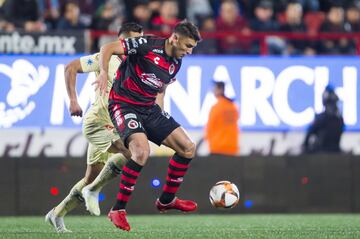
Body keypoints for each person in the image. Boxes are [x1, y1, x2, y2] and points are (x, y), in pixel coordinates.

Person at [92, 20, 201, 231]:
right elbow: (107, 48)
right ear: (174, 38)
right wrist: (104, 72)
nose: (189, 51)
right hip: (124, 105)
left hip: (148, 108)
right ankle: (118, 209)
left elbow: (160, 88)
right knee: (142, 152)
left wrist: (160, 112)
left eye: (192, 48)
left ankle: (167, 200)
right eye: (188, 46)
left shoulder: (176, 62)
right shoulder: (146, 45)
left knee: (188, 148)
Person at [45, 22, 144, 233]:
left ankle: (57, 213)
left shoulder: (139, 64)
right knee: (132, 153)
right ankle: (93, 191)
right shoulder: (104, 58)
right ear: (122, 42)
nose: (139, 45)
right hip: (99, 122)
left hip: (118, 125)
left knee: (90, 177)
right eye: (134, 41)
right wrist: (73, 100)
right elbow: (70, 67)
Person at [303, 85, 345, 153]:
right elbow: (307, 137)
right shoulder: (322, 118)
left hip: (329, 152)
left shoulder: (338, 120)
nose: (332, 107)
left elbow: (307, 137)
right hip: (321, 153)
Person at [205, 81, 239, 156]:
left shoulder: (216, 107)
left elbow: (209, 128)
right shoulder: (233, 107)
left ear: (220, 90)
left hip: (217, 148)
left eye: (215, 88)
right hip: (232, 148)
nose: (213, 90)